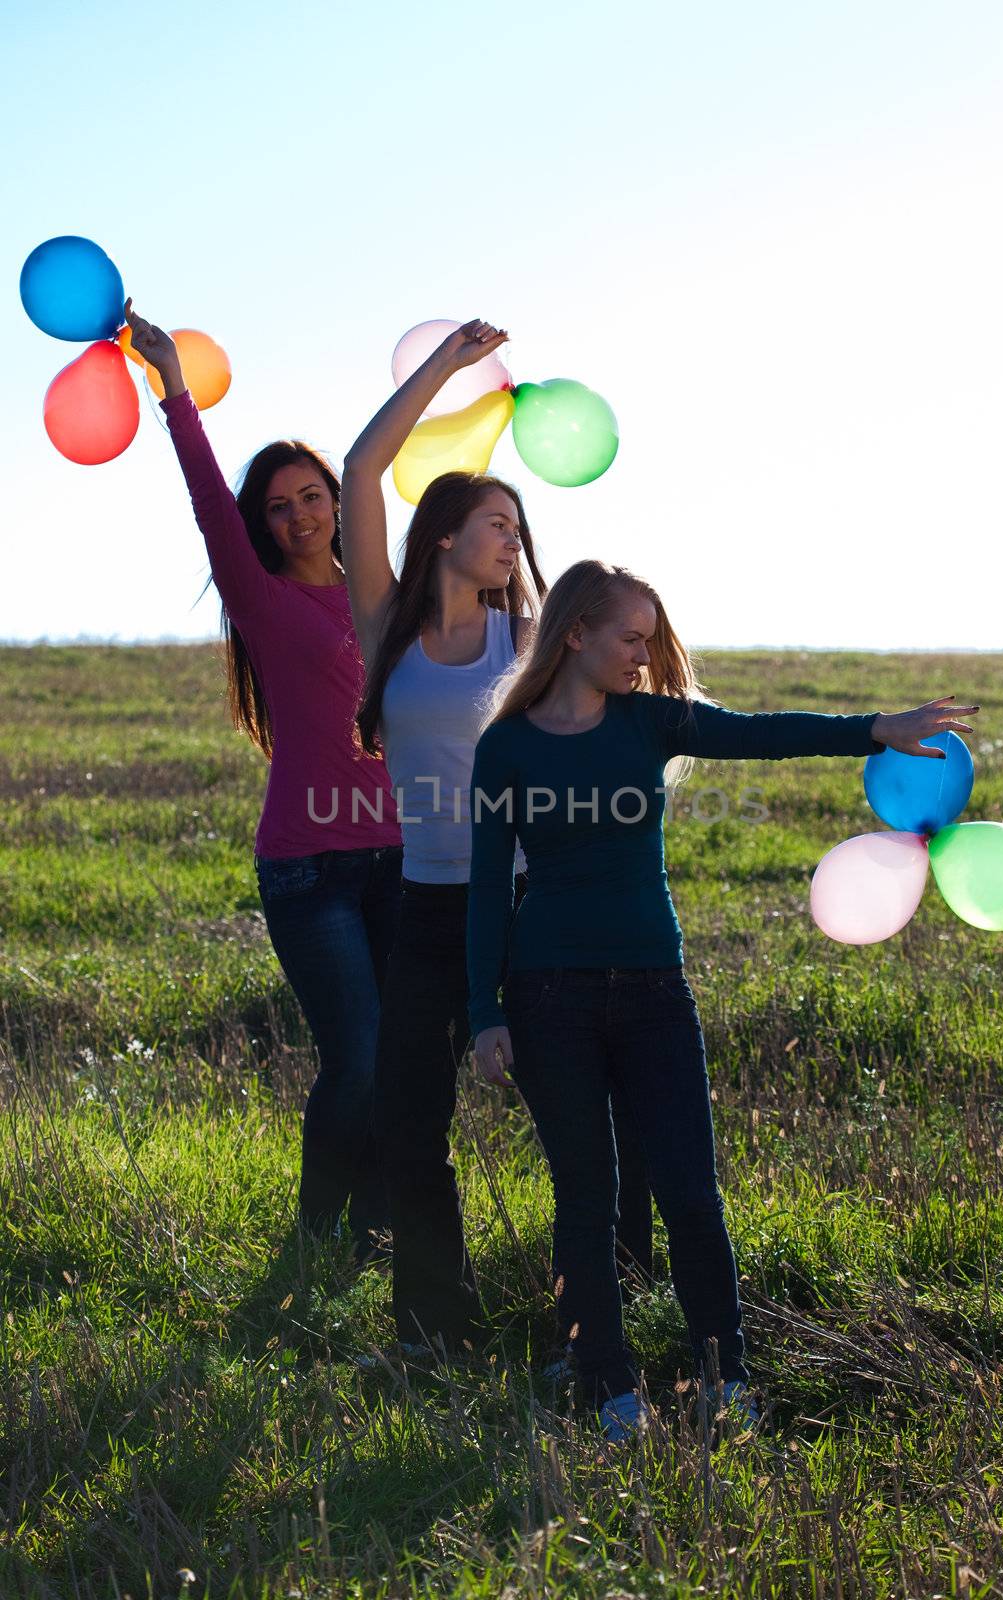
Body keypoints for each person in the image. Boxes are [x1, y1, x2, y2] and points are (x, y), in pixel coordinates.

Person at [466, 559, 979, 1438]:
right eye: (629, 637)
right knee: (585, 1196)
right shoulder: (505, 748)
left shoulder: (649, 721)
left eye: (649, 639)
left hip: (655, 990)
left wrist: (872, 730)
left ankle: (724, 1376)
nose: (642, 654)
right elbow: (484, 887)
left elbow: (758, 733)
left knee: (690, 1192)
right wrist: (484, 1012)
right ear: (575, 633)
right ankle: (608, 1388)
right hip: (548, 993)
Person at [341, 322, 656, 1356]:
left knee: (576, 1114)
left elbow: (626, 683)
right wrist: (444, 374)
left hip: (527, 905)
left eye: (519, 525)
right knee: (405, 1117)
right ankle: (437, 1325)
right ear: (441, 533)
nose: (512, 539)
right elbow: (358, 470)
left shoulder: (529, 641)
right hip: (423, 904)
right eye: (493, 520)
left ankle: (601, 1308)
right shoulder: (386, 623)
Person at [123, 299, 404, 1256]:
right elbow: (207, 496)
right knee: (355, 1057)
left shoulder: (390, 599)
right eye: (276, 506)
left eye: (309, 496)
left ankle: (373, 1230)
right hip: (308, 867)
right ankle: (318, 1237)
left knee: (400, 1059)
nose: (294, 515)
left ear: (338, 498)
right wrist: (172, 389)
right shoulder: (261, 599)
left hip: (403, 859)